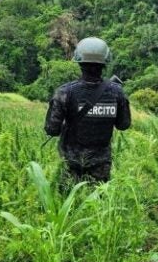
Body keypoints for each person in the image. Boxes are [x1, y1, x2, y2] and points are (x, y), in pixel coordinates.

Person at [44, 37, 131, 189]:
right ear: (105, 61)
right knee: (98, 205)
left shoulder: (65, 92)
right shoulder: (117, 92)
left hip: (70, 163)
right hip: (101, 164)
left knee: (69, 205)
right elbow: (124, 125)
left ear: (79, 61)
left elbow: (51, 129)